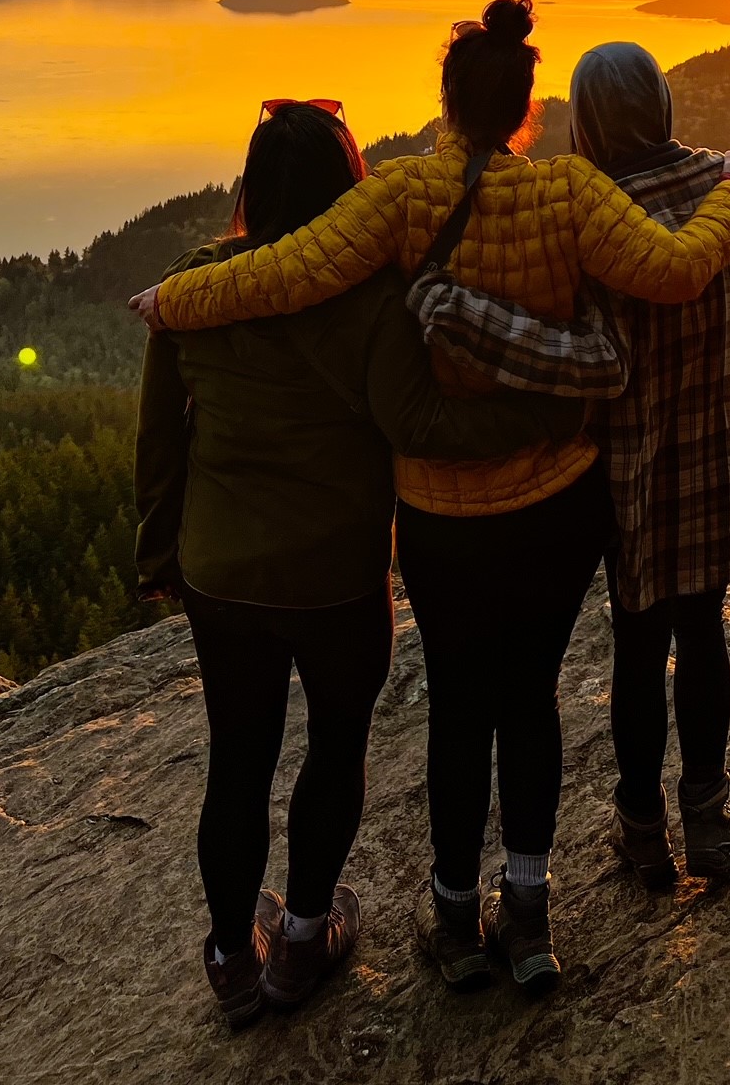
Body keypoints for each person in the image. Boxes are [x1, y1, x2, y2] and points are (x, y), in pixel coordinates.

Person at [128, 0, 730, 994]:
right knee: (530, 703)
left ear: (448, 101)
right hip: (552, 503)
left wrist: (175, 302)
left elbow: (287, 268)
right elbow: (678, 271)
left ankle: (449, 923)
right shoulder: (568, 191)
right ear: (527, 110)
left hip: (435, 519)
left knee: (452, 710)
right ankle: (529, 915)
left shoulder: (402, 198)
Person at [134, 101, 589, 1030]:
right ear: (350, 187)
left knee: (237, 759)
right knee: (335, 748)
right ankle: (305, 938)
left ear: (252, 188)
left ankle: (232, 961)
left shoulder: (193, 289)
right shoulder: (373, 302)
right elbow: (419, 425)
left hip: (222, 571)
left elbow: (159, 443)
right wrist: (546, 415)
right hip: (336, 574)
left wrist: (158, 556)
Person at [411, 40, 730, 889]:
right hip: (724, 461)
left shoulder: (596, 215)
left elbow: (587, 351)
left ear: (585, 120)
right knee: (703, 630)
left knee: (639, 643)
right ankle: (708, 818)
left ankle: (642, 829)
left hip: (632, 476)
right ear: (660, 106)